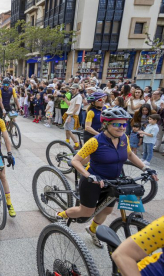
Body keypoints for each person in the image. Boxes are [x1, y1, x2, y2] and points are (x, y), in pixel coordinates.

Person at [57, 107, 158, 248]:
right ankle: (60, 216)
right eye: (116, 124)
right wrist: (88, 175)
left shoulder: (124, 138)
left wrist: (145, 168)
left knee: (107, 210)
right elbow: (75, 160)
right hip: (93, 181)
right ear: (106, 124)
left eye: (124, 124)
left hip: (112, 182)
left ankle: (92, 230)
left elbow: (129, 154)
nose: (122, 128)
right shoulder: (95, 141)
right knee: (86, 211)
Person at [62, 84, 82, 149]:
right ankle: (67, 141)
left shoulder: (78, 96)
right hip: (70, 114)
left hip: (72, 115)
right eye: (71, 89)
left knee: (69, 130)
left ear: (77, 89)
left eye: (73, 89)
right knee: (67, 129)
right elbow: (69, 104)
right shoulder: (74, 96)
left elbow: (77, 107)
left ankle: (77, 144)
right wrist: (65, 99)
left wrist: (71, 115)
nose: (72, 90)